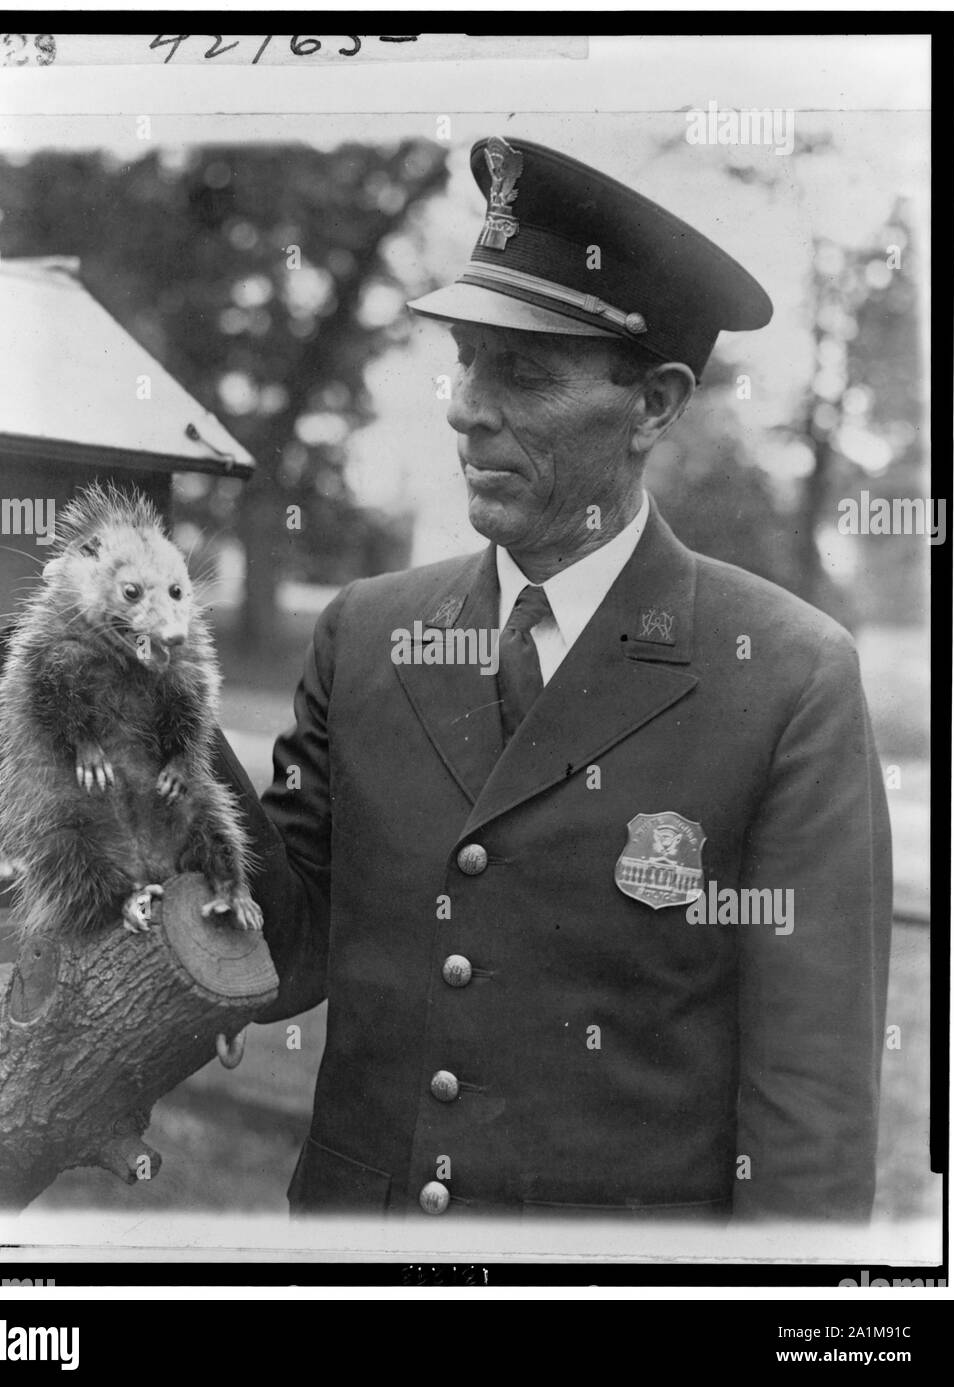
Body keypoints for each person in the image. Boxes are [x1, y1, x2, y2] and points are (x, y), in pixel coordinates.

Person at [240, 136, 892, 1221]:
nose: (466, 408)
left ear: (655, 403)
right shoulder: (366, 635)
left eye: (524, 374)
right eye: (466, 360)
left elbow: (809, 1131)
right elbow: (280, 945)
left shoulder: (787, 682)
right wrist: (157, 720)